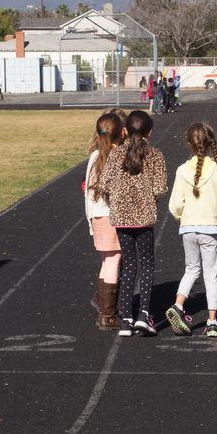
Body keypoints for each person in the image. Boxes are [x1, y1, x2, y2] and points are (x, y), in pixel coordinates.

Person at [100, 110, 167, 336]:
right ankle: (144, 314)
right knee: (147, 264)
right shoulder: (155, 154)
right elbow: (160, 188)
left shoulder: (116, 154)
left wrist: (117, 200)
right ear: (150, 132)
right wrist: (148, 198)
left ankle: (126, 317)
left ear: (125, 131)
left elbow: (104, 184)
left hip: (121, 218)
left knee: (129, 265)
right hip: (144, 217)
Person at [166, 123, 217, 338]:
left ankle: (178, 305)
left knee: (191, 269)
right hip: (209, 228)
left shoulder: (181, 170)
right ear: (211, 143)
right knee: (210, 274)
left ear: (189, 144)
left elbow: (175, 204)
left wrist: (182, 216)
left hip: (187, 228)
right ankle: (212, 321)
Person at [85, 112, 126, 330]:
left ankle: (103, 306)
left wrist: (90, 220)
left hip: (97, 215)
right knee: (113, 261)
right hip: (112, 215)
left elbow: (88, 193)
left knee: (106, 261)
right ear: (121, 133)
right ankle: (107, 315)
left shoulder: (94, 155)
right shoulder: (118, 155)